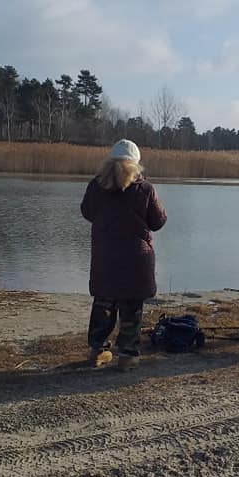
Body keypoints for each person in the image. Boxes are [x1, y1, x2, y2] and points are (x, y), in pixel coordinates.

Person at [81, 139, 167, 370]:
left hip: (105, 256)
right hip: (135, 260)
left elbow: (87, 212)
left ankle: (97, 351)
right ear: (136, 163)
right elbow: (158, 221)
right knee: (132, 308)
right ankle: (128, 355)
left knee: (103, 304)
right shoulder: (145, 189)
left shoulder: (96, 186)